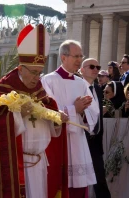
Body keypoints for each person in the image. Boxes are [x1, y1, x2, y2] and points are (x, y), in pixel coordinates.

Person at [0, 24, 69, 198]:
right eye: (34, 73)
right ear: (21, 69)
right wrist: (18, 114)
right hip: (16, 164)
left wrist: (56, 119)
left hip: (40, 162)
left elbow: (50, 120)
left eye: (40, 73)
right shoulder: (1, 91)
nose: (38, 78)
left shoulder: (40, 91)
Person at [41, 40, 99, 198]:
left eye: (81, 56)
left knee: (79, 188)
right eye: (76, 56)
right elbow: (47, 111)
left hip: (78, 141)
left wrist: (82, 113)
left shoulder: (81, 83)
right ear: (63, 57)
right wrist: (74, 109)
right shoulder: (48, 81)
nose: (79, 60)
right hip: (59, 141)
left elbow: (94, 112)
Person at [80, 58, 111, 198]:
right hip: (80, 140)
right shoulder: (77, 86)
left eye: (98, 67)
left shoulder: (98, 89)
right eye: (92, 66)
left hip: (95, 141)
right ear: (82, 69)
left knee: (100, 179)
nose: (95, 70)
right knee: (79, 180)